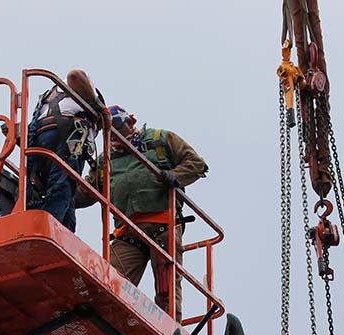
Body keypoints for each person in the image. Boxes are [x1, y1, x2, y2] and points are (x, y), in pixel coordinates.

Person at [80, 105, 208, 320]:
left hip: (162, 226)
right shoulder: (105, 160)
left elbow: (196, 164)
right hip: (127, 234)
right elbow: (85, 193)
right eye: (112, 131)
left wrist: (174, 175)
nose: (118, 135)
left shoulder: (160, 139)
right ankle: (108, 326)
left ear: (132, 121)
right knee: (108, 281)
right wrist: (47, 189)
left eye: (121, 126)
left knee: (166, 290)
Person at [26, 71, 102, 233]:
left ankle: (63, 233)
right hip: (67, 140)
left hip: (42, 142)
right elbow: (75, 75)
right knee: (61, 188)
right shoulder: (86, 94)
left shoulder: (49, 98)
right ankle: (48, 233)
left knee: (61, 194)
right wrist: (98, 107)